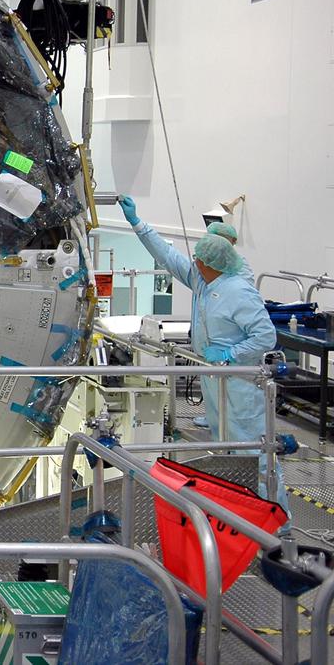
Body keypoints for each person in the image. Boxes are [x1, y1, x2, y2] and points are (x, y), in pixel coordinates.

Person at [119, 196, 288, 514]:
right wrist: (137, 223)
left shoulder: (239, 292)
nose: (193, 261)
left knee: (256, 455)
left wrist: (229, 354)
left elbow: (266, 336)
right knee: (226, 453)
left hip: (240, 385)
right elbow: (168, 257)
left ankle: (278, 525)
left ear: (212, 262)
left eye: (199, 258)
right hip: (216, 382)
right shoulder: (204, 280)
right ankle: (241, 519)